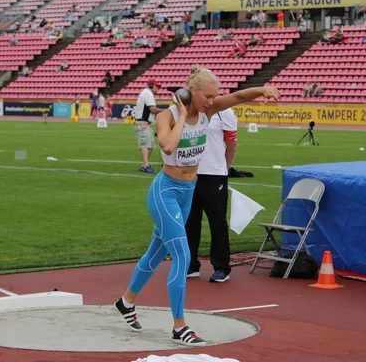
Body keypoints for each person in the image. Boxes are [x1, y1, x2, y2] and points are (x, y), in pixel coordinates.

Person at [114, 66, 280, 346]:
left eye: (215, 96)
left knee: (156, 252)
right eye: (208, 96)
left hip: (187, 191)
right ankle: (179, 326)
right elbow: (167, 146)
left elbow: (238, 97)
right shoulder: (167, 116)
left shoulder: (209, 111)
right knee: (182, 254)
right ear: (192, 92)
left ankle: (126, 301)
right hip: (165, 192)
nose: (212, 101)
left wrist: (262, 89)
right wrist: (182, 115)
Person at [185, 101, 238, 283]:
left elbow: (231, 145)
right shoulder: (187, 108)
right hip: (189, 173)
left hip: (214, 175)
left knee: (217, 222)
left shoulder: (225, 112)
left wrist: (223, 167)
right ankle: (190, 264)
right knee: (189, 222)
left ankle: (222, 267)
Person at [134, 79, 165, 174]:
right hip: (142, 123)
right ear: (151, 86)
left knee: (150, 145)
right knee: (145, 144)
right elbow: (152, 109)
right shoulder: (147, 94)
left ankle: (145, 164)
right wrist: (166, 111)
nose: (158, 89)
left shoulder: (146, 93)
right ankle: (145, 165)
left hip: (145, 123)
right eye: (157, 87)